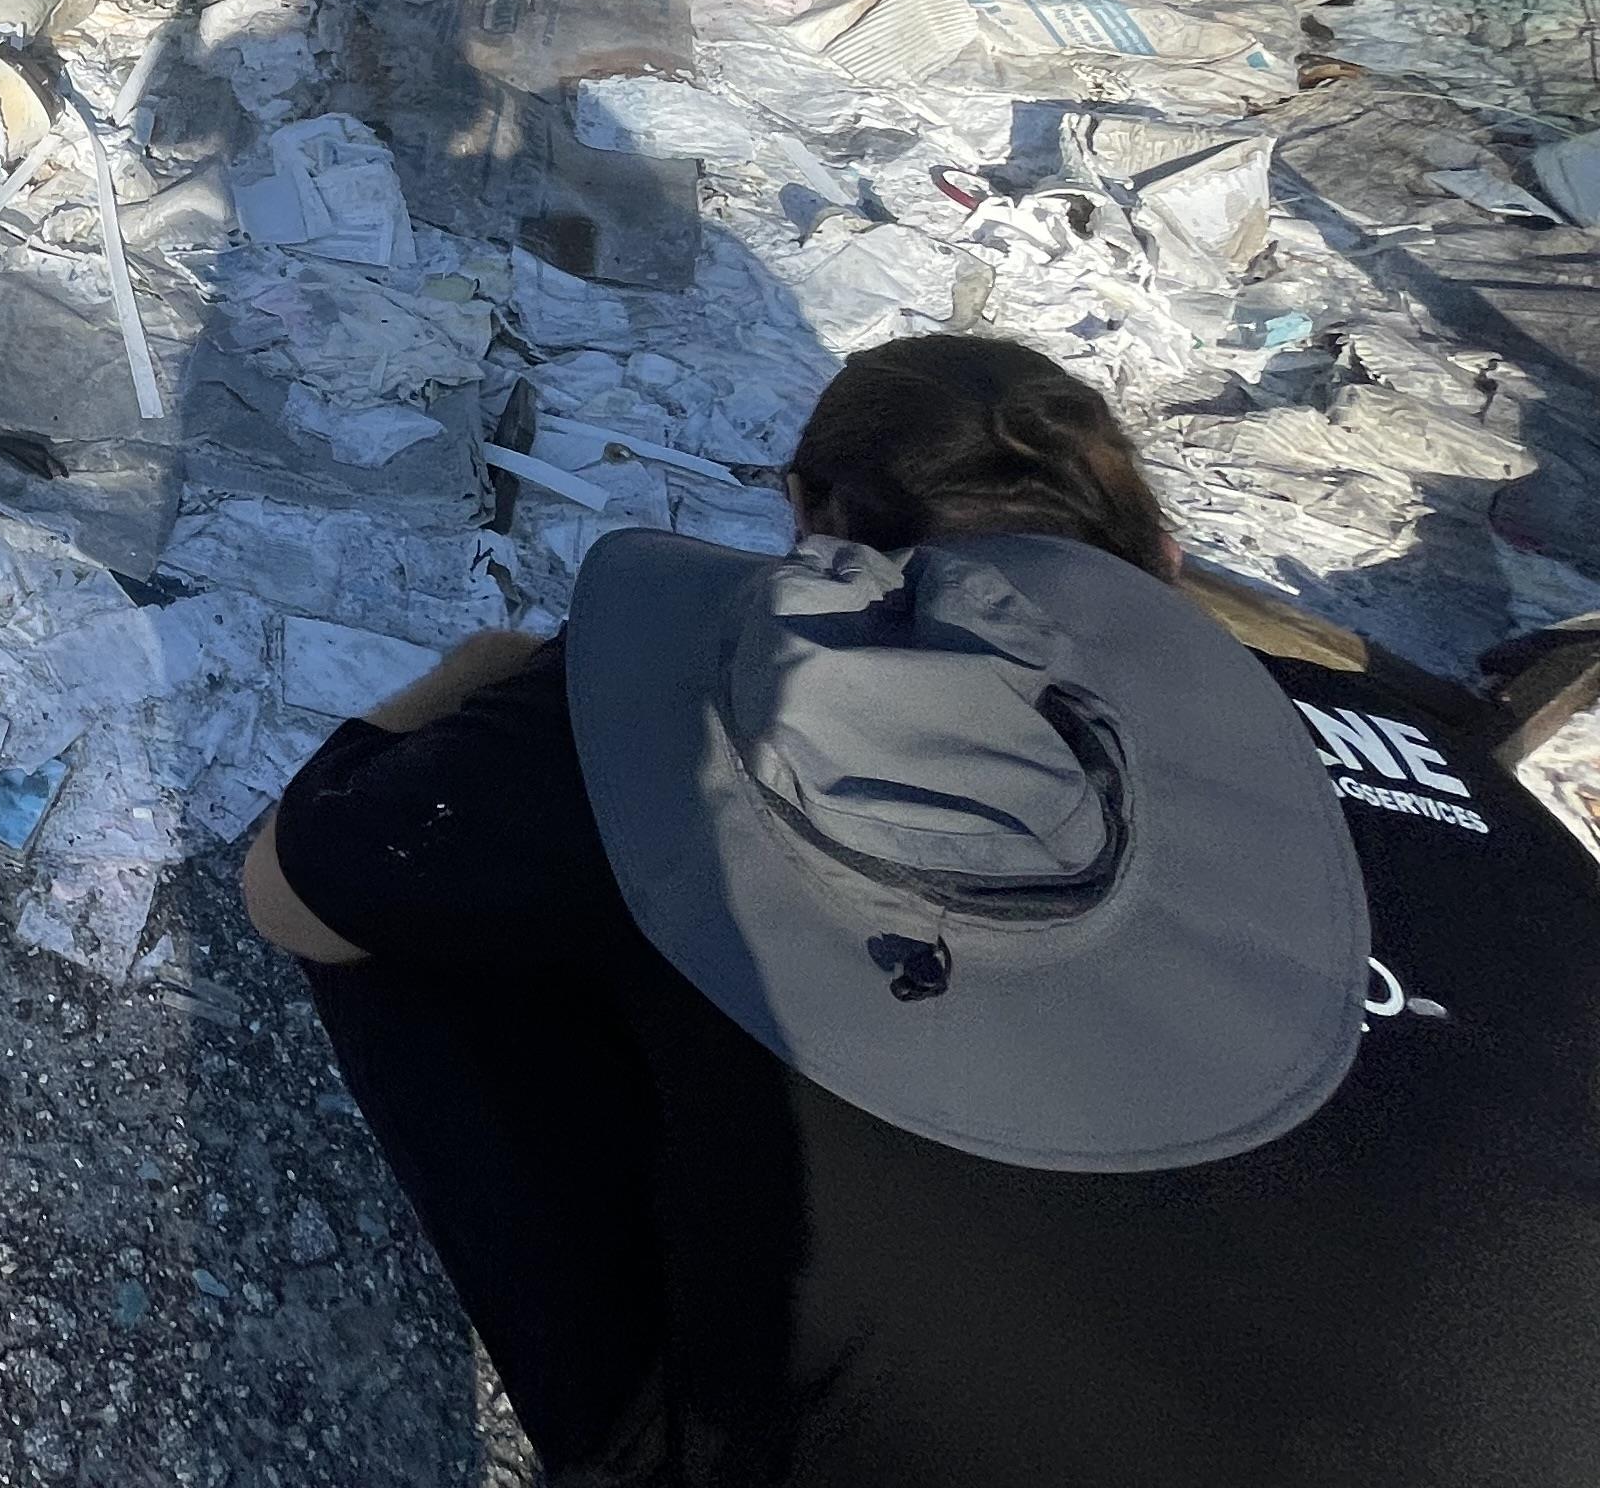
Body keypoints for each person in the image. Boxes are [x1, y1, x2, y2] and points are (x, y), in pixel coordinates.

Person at [237, 331, 1600, 1487]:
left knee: (424, 887)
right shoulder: (1466, 781)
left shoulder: (720, 674)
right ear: (1171, 566)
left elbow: (286, 886)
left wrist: (496, 678)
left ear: (807, 522)